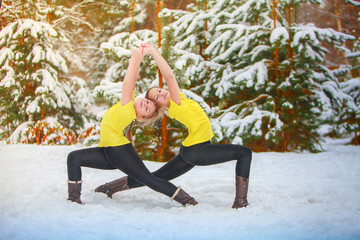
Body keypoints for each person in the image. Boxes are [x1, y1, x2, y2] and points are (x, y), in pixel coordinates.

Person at [95, 43, 252, 209]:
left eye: (160, 90)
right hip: (197, 150)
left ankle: (109, 187)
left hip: (191, 150)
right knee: (244, 153)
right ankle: (241, 201)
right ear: (161, 106)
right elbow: (169, 76)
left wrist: (155, 52)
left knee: (156, 176)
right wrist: (153, 52)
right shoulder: (176, 105)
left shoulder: (181, 98)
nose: (162, 93)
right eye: (158, 97)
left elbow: (169, 81)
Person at [66, 45, 198, 206]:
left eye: (147, 109)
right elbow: (132, 85)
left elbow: (129, 83)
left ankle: (188, 201)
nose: (145, 104)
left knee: (150, 180)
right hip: (108, 152)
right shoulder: (130, 105)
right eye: (147, 101)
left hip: (119, 151)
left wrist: (136, 57)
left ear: (140, 117)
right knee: (74, 158)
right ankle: (74, 199)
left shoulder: (128, 109)